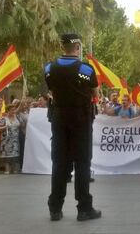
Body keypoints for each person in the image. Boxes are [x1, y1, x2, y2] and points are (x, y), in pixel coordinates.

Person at [44, 33, 101, 221]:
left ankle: (55, 208)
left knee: (59, 163)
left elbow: (51, 90)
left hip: (59, 118)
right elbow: (94, 91)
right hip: (80, 119)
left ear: (63, 47)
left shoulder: (49, 68)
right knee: (82, 163)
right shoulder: (84, 68)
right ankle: (84, 208)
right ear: (77, 47)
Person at [0, 104, 20, 174]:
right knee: (7, 155)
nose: (13, 111)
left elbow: (20, 125)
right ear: (7, 111)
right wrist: (5, 127)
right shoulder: (3, 119)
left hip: (15, 139)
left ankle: (14, 169)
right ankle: (7, 169)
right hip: (6, 140)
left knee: (14, 154)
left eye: (14, 110)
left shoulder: (17, 117)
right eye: (11, 110)